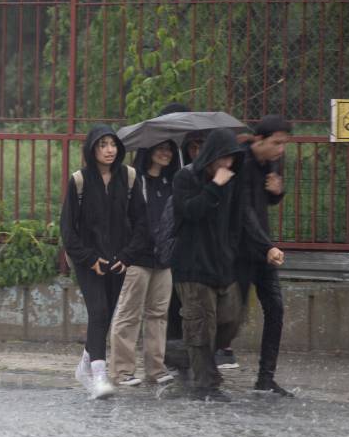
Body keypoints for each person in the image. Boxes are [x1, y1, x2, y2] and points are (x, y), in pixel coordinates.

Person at [170, 128, 261, 399]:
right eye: (224, 158)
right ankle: (205, 385)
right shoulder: (185, 177)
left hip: (221, 265)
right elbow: (190, 211)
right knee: (200, 328)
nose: (228, 164)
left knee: (231, 319)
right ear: (211, 156)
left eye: (232, 159)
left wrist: (238, 250)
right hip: (192, 266)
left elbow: (239, 220)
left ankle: (174, 352)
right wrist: (214, 186)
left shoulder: (233, 182)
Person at [60, 125, 145, 399]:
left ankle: (84, 366)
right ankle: (99, 376)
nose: (109, 150)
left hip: (118, 261)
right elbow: (67, 230)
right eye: (102, 145)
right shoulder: (79, 180)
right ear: (92, 149)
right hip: (88, 261)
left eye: (112, 144)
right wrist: (88, 258)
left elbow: (142, 223)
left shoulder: (129, 177)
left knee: (105, 316)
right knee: (98, 311)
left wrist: (127, 256)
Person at [108, 138, 180, 386]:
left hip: (163, 259)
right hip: (137, 259)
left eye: (169, 149)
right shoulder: (134, 181)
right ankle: (122, 372)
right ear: (147, 151)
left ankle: (155, 369)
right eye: (160, 148)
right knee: (129, 314)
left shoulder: (170, 182)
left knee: (158, 315)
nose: (166, 153)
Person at [236, 115, 290, 396]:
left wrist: (278, 192)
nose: (281, 149)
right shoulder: (240, 163)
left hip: (263, 248)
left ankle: (265, 377)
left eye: (284, 143)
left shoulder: (273, 162)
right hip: (238, 249)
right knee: (232, 315)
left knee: (276, 308)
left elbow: (267, 199)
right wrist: (267, 245)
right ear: (259, 140)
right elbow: (243, 213)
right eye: (276, 143)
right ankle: (197, 366)